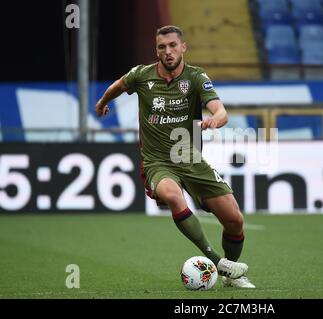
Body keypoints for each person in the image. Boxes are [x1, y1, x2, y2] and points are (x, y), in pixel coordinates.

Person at [95, 25, 255, 288]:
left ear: (183, 47)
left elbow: (221, 111)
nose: (167, 51)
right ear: (156, 50)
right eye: (161, 47)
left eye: (172, 45)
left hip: (189, 158)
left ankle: (229, 276)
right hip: (157, 161)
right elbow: (119, 85)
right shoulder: (141, 75)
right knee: (171, 194)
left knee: (234, 220)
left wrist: (215, 120)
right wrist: (102, 102)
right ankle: (217, 261)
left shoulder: (195, 77)